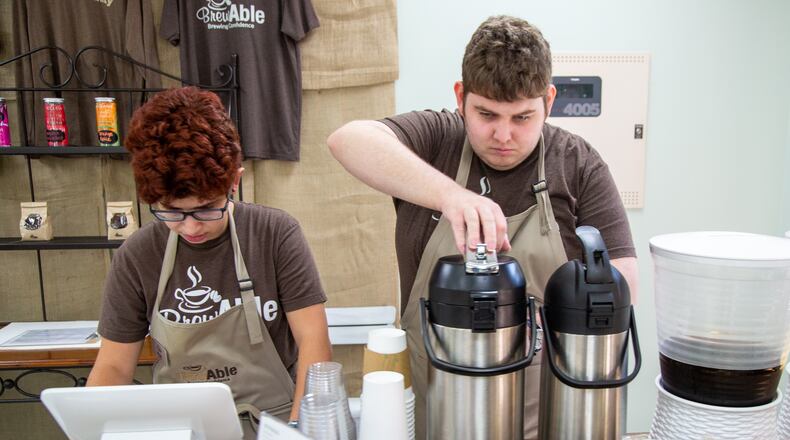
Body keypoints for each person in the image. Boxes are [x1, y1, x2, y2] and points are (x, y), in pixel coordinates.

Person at [327, 15, 638, 440]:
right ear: (461, 97)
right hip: (437, 409)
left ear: (549, 100)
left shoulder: (577, 163)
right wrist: (449, 195)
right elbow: (348, 139)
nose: (503, 135)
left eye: (523, 117)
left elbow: (624, 280)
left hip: (544, 413)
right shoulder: (437, 140)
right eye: (486, 114)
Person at [87, 87, 331, 436]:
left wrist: (296, 429)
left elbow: (314, 343)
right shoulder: (138, 255)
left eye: (205, 208)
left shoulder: (274, 234)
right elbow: (112, 366)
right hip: (179, 427)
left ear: (234, 181)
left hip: (272, 423)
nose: (190, 226)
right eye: (171, 211)